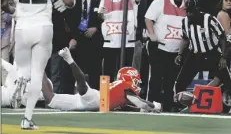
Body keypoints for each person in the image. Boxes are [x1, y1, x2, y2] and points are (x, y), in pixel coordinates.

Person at [1, 48, 162, 112]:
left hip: (88, 102)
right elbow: (139, 103)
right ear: (131, 78)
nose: (138, 84)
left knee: (51, 99)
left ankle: (37, 65)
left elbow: (131, 104)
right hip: (96, 100)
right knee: (83, 88)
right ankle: (70, 60)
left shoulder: (122, 89)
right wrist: (153, 106)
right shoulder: (126, 87)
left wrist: (144, 106)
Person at [11, 0, 75, 130]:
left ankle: (21, 78)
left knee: (23, 67)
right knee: (38, 74)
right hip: (43, 26)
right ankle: (27, 119)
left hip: (22, 26)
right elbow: (69, 1)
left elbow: (3, 0)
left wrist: (14, 9)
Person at [145, 0, 187, 112]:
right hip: (159, 46)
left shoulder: (188, 3)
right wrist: (152, 36)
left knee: (171, 79)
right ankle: (150, 104)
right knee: (156, 77)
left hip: (176, 49)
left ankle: (168, 106)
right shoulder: (162, 0)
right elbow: (148, 18)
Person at [174, 0, 231, 96]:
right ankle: (179, 105)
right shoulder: (185, 22)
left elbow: (222, 37)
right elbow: (185, 39)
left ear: (197, 9)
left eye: (191, 11)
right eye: (187, 11)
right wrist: (180, 54)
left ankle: (227, 105)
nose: (188, 14)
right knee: (180, 83)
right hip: (195, 54)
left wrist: (223, 57)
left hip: (212, 54)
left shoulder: (209, 19)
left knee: (227, 81)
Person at [98, 0, 142, 81]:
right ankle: (107, 95)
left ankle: (124, 95)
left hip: (127, 40)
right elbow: (100, 16)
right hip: (110, 40)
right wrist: (101, 13)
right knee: (108, 72)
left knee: (125, 72)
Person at [65, 0, 103, 90]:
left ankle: (96, 99)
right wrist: (72, 38)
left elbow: (105, 20)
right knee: (74, 72)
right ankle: (74, 97)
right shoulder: (73, 0)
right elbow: (68, 21)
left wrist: (96, 28)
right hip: (77, 41)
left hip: (94, 42)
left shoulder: (99, 1)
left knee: (95, 73)